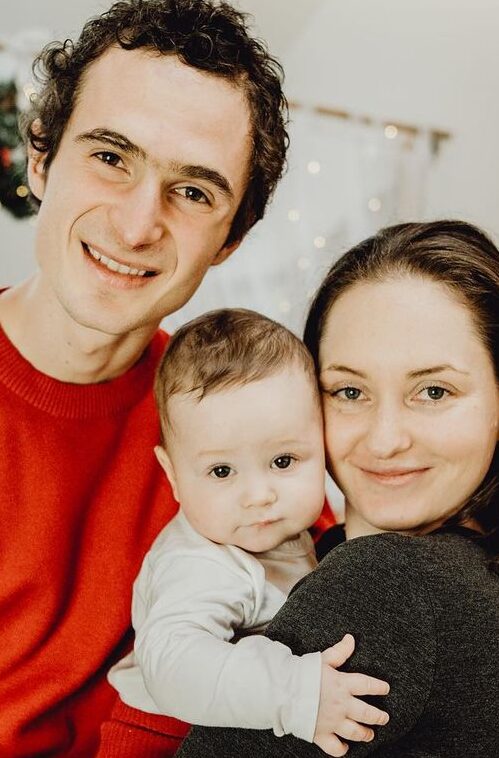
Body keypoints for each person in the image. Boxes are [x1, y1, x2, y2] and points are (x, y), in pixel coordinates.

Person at [0, 2, 333, 755]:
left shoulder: (234, 416)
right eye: (111, 157)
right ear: (42, 157)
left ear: (230, 239)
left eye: (192, 191)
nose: (136, 224)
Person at [176, 219, 499, 758]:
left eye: (434, 391)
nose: (386, 437)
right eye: (350, 391)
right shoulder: (322, 554)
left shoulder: (388, 581)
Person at [99, 308, 390, 757]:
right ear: (173, 475)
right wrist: (296, 692)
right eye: (221, 470)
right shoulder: (198, 563)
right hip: (162, 738)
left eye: (283, 461)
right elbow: (173, 664)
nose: (258, 495)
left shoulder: (301, 531)